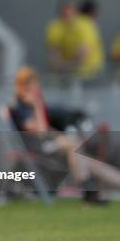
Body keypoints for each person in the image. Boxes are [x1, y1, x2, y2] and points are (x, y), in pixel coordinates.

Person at [10, 66, 120, 197]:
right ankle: (87, 189)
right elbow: (41, 132)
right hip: (39, 149)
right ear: (23, 87)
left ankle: (92, 190)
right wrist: (37, 105)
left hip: (53, 146)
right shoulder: (19, 108)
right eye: (32, 85)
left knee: (91, 163)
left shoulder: (36, 106)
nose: (36, 89)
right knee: (74, 145)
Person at [46, 0, 104, 79]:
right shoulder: (55, 27)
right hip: (67, 73)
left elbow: (84, 52)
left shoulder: (85, 25)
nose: (67, 14)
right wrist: (59, 65)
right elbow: (53, 53)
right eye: (64, 11)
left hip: (91, 73)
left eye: (70, 10)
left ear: (76, 12)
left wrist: (65, 65)